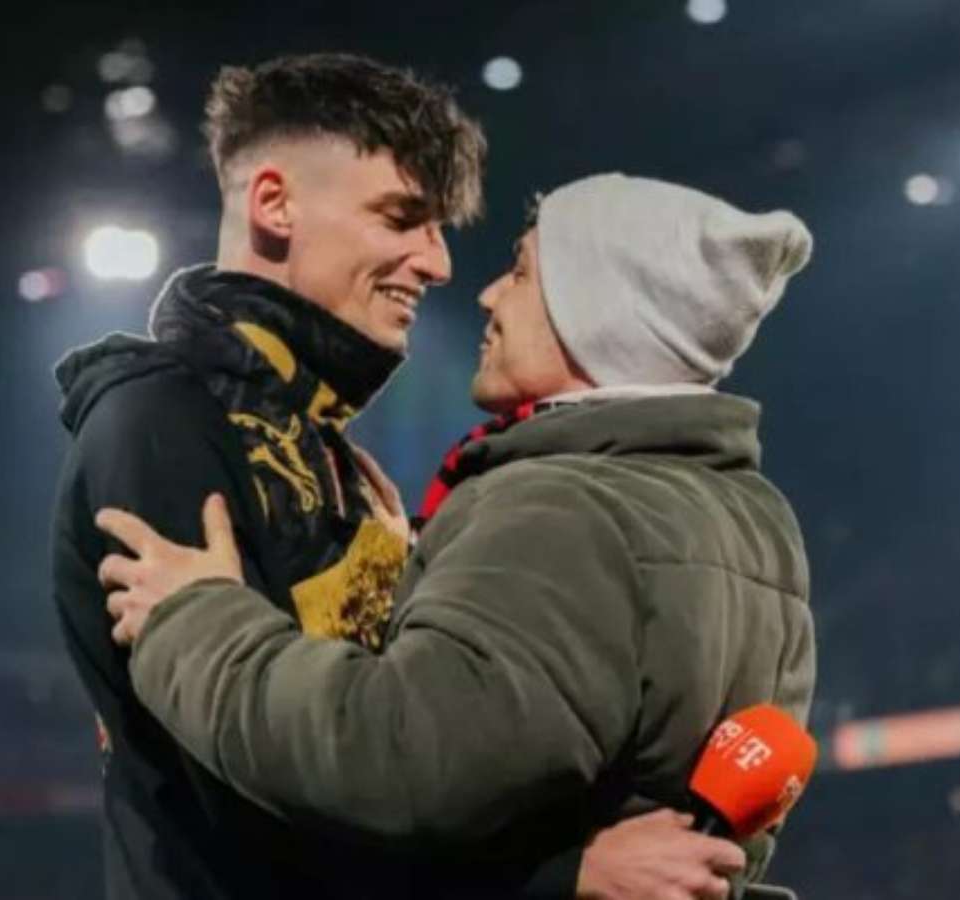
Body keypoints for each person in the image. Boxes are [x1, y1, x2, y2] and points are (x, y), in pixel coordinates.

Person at [52, 53, 742, 900]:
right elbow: (247, 802)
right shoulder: (159, 420)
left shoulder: (327, 449)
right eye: (401, 218)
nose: (439, 262)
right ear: (275, 204)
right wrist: (560, 875)